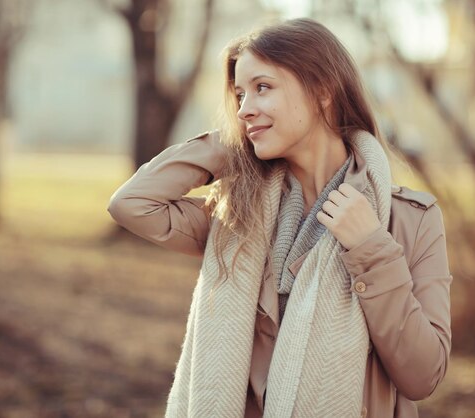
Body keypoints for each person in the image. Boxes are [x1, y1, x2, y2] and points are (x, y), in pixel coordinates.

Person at [108, 18, 452, 418]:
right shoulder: (238, 216)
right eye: (239, 95)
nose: (244, 110)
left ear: (322, 90)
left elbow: (423, 375)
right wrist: (232, 146)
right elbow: (132, 203)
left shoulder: (410, 221)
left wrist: (371, 250)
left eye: (263, 88)